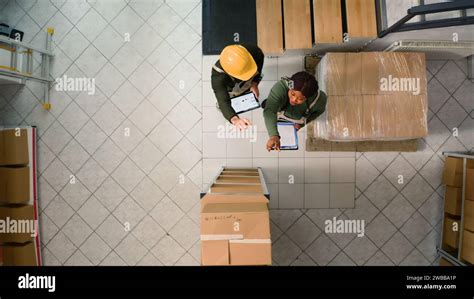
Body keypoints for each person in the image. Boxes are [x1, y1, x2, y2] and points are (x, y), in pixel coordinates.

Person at [263, 71, 327, 151]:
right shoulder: (280, 87)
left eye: (300, 99)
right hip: (280, 111)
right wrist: (274, 136)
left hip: (297, 117)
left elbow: (319, 111)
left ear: (308, 98)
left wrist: (304, 122)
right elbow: (270, 111)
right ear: (290, 87)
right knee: (268, 105)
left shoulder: (320, 100)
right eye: (292, 94)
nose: (294, 100)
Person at [211, 44, 264, 130]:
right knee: (227, 101)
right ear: (229, 73)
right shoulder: (218, 78)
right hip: (231, 87)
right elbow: (223, 101)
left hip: (248, 81)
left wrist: (254, 83)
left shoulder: (252, 51)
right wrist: (234, 119)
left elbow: (260, 61)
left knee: (245, 90)